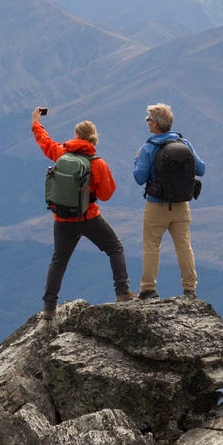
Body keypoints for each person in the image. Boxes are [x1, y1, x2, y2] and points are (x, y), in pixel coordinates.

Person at [32, 108, 137, 320]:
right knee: (114, 248)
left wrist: (36, 122)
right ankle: (123, 292)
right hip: (89, 218)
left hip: (62, 219)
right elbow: (106, 194)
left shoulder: (61, 153)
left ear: (76, 136)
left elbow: (45, 142)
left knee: (59, 260)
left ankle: (49, 308)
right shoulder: (98, 163)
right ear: (93, 139)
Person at [133, 103, 207, 300]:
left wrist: (137, 159)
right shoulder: (184, 143)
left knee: (151, 246)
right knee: (184, 246)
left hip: (156, 205)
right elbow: (201, 169)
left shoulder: (148, 147)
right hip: (182, 205)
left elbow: (139, 178)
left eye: (148, 119)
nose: (147, 122)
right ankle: (190, 289)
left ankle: (148, 289)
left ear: (155, 124)